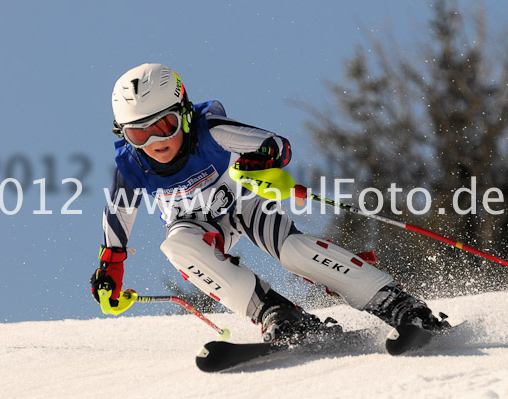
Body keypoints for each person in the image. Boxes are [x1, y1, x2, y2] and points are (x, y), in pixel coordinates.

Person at [90, 63, 449, 344]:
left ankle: (390, 299)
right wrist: (111, 265)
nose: (155, 141)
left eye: (165, 125)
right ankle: (275, 312)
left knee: (292, 250)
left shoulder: (208, 129)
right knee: (177, 245)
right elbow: (119, 212)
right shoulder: (131, 163)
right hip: (197, 225)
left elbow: (277, 145)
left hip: (243, 205)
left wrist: (262, 159)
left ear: (183, 112)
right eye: (139, 133)